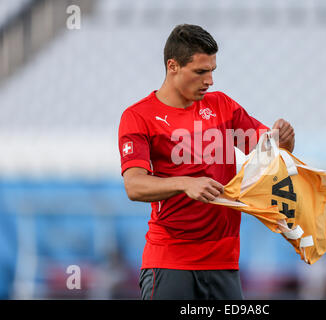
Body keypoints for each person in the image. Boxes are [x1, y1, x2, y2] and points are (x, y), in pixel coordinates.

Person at [118, 24, 295, 300]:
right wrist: (185, 183)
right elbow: (134, 185)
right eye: (201, 71)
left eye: (212, 70)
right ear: (173, 66)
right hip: (170, 260)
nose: (210, 80)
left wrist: (284, 139)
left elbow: (272, 154)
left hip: (224, 263)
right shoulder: (139, 116)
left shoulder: (223, 106)